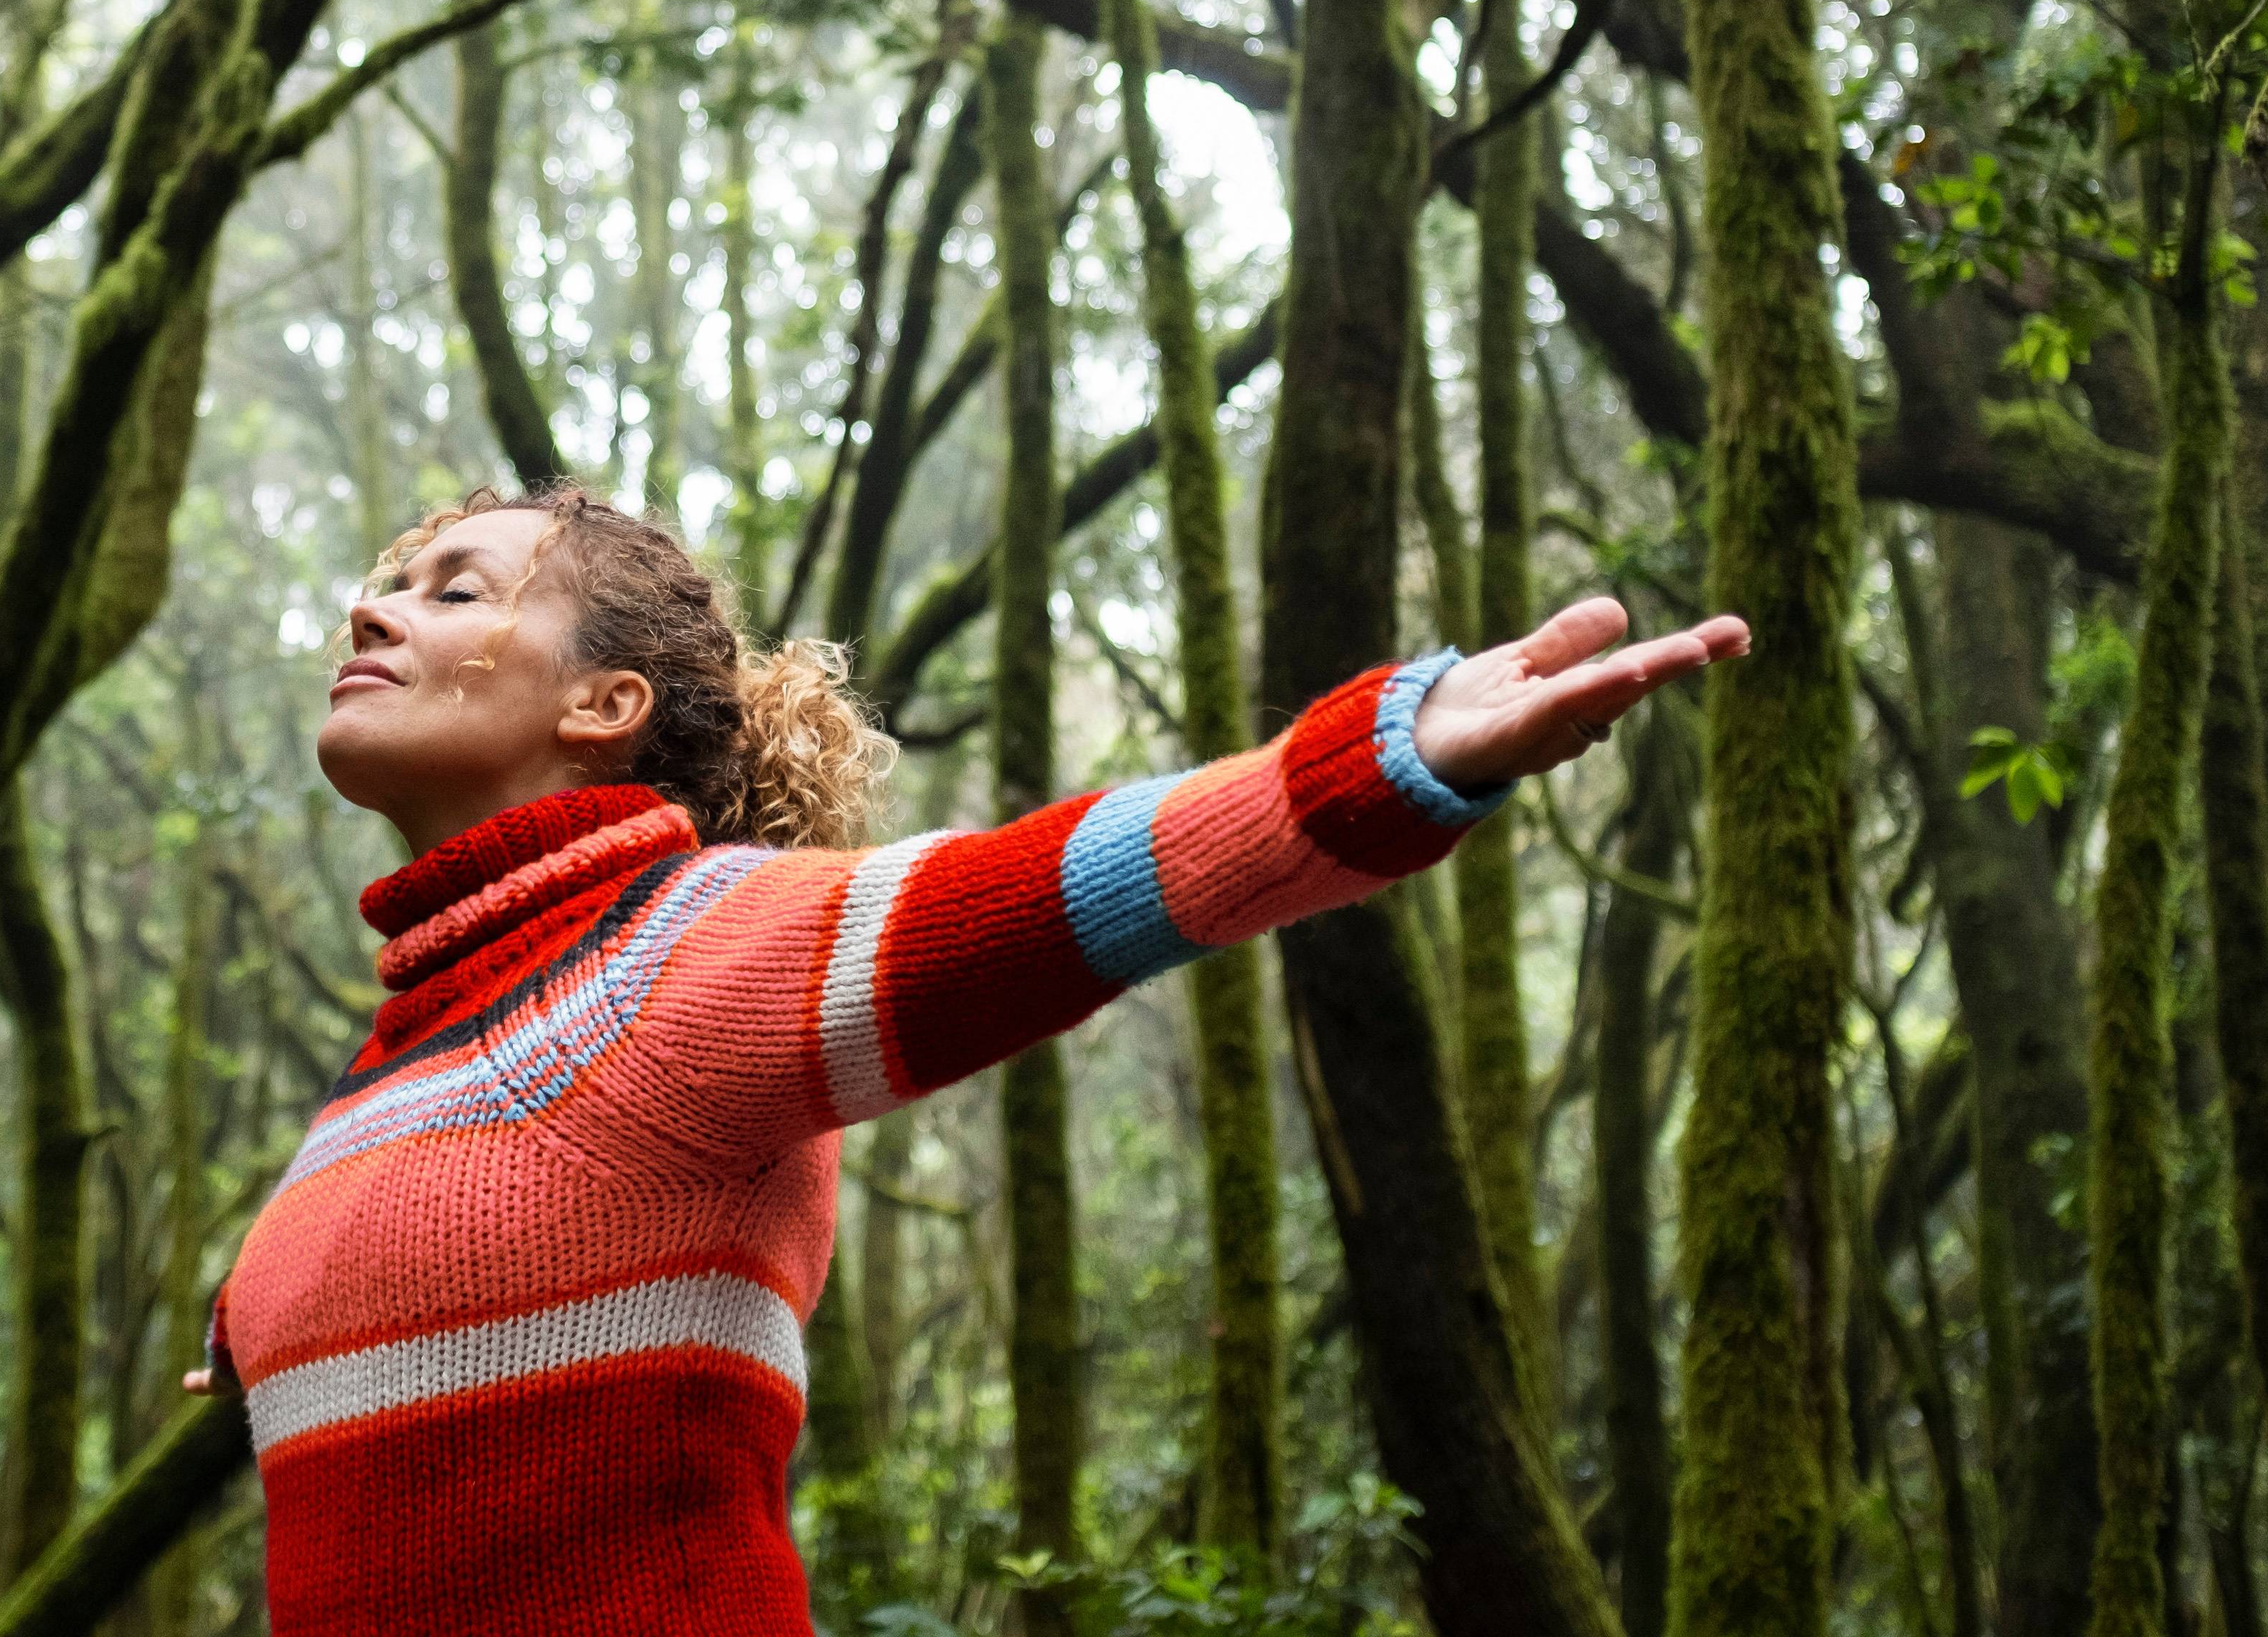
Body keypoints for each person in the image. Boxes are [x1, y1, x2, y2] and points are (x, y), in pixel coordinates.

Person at [193, 478, 1750, 1635]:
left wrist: (1378, 758)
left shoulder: (672, 961)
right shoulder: (400, 1059)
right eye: (388, 585)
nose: (373, 611)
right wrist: (258, 1316)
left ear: (607, 703)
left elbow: (1037, 900)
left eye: (454, 590)